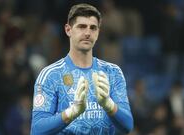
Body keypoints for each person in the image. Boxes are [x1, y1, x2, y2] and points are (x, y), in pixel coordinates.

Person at [30, 3, 133, 135]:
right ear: (68, 30)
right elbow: (37, 130)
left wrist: (108, 104)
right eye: (81, 27)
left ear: (98, 33)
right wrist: (72, 112)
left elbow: (128, 126)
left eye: (93, 28)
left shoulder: (112, 72)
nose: (87, 33)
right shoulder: (51, 75)